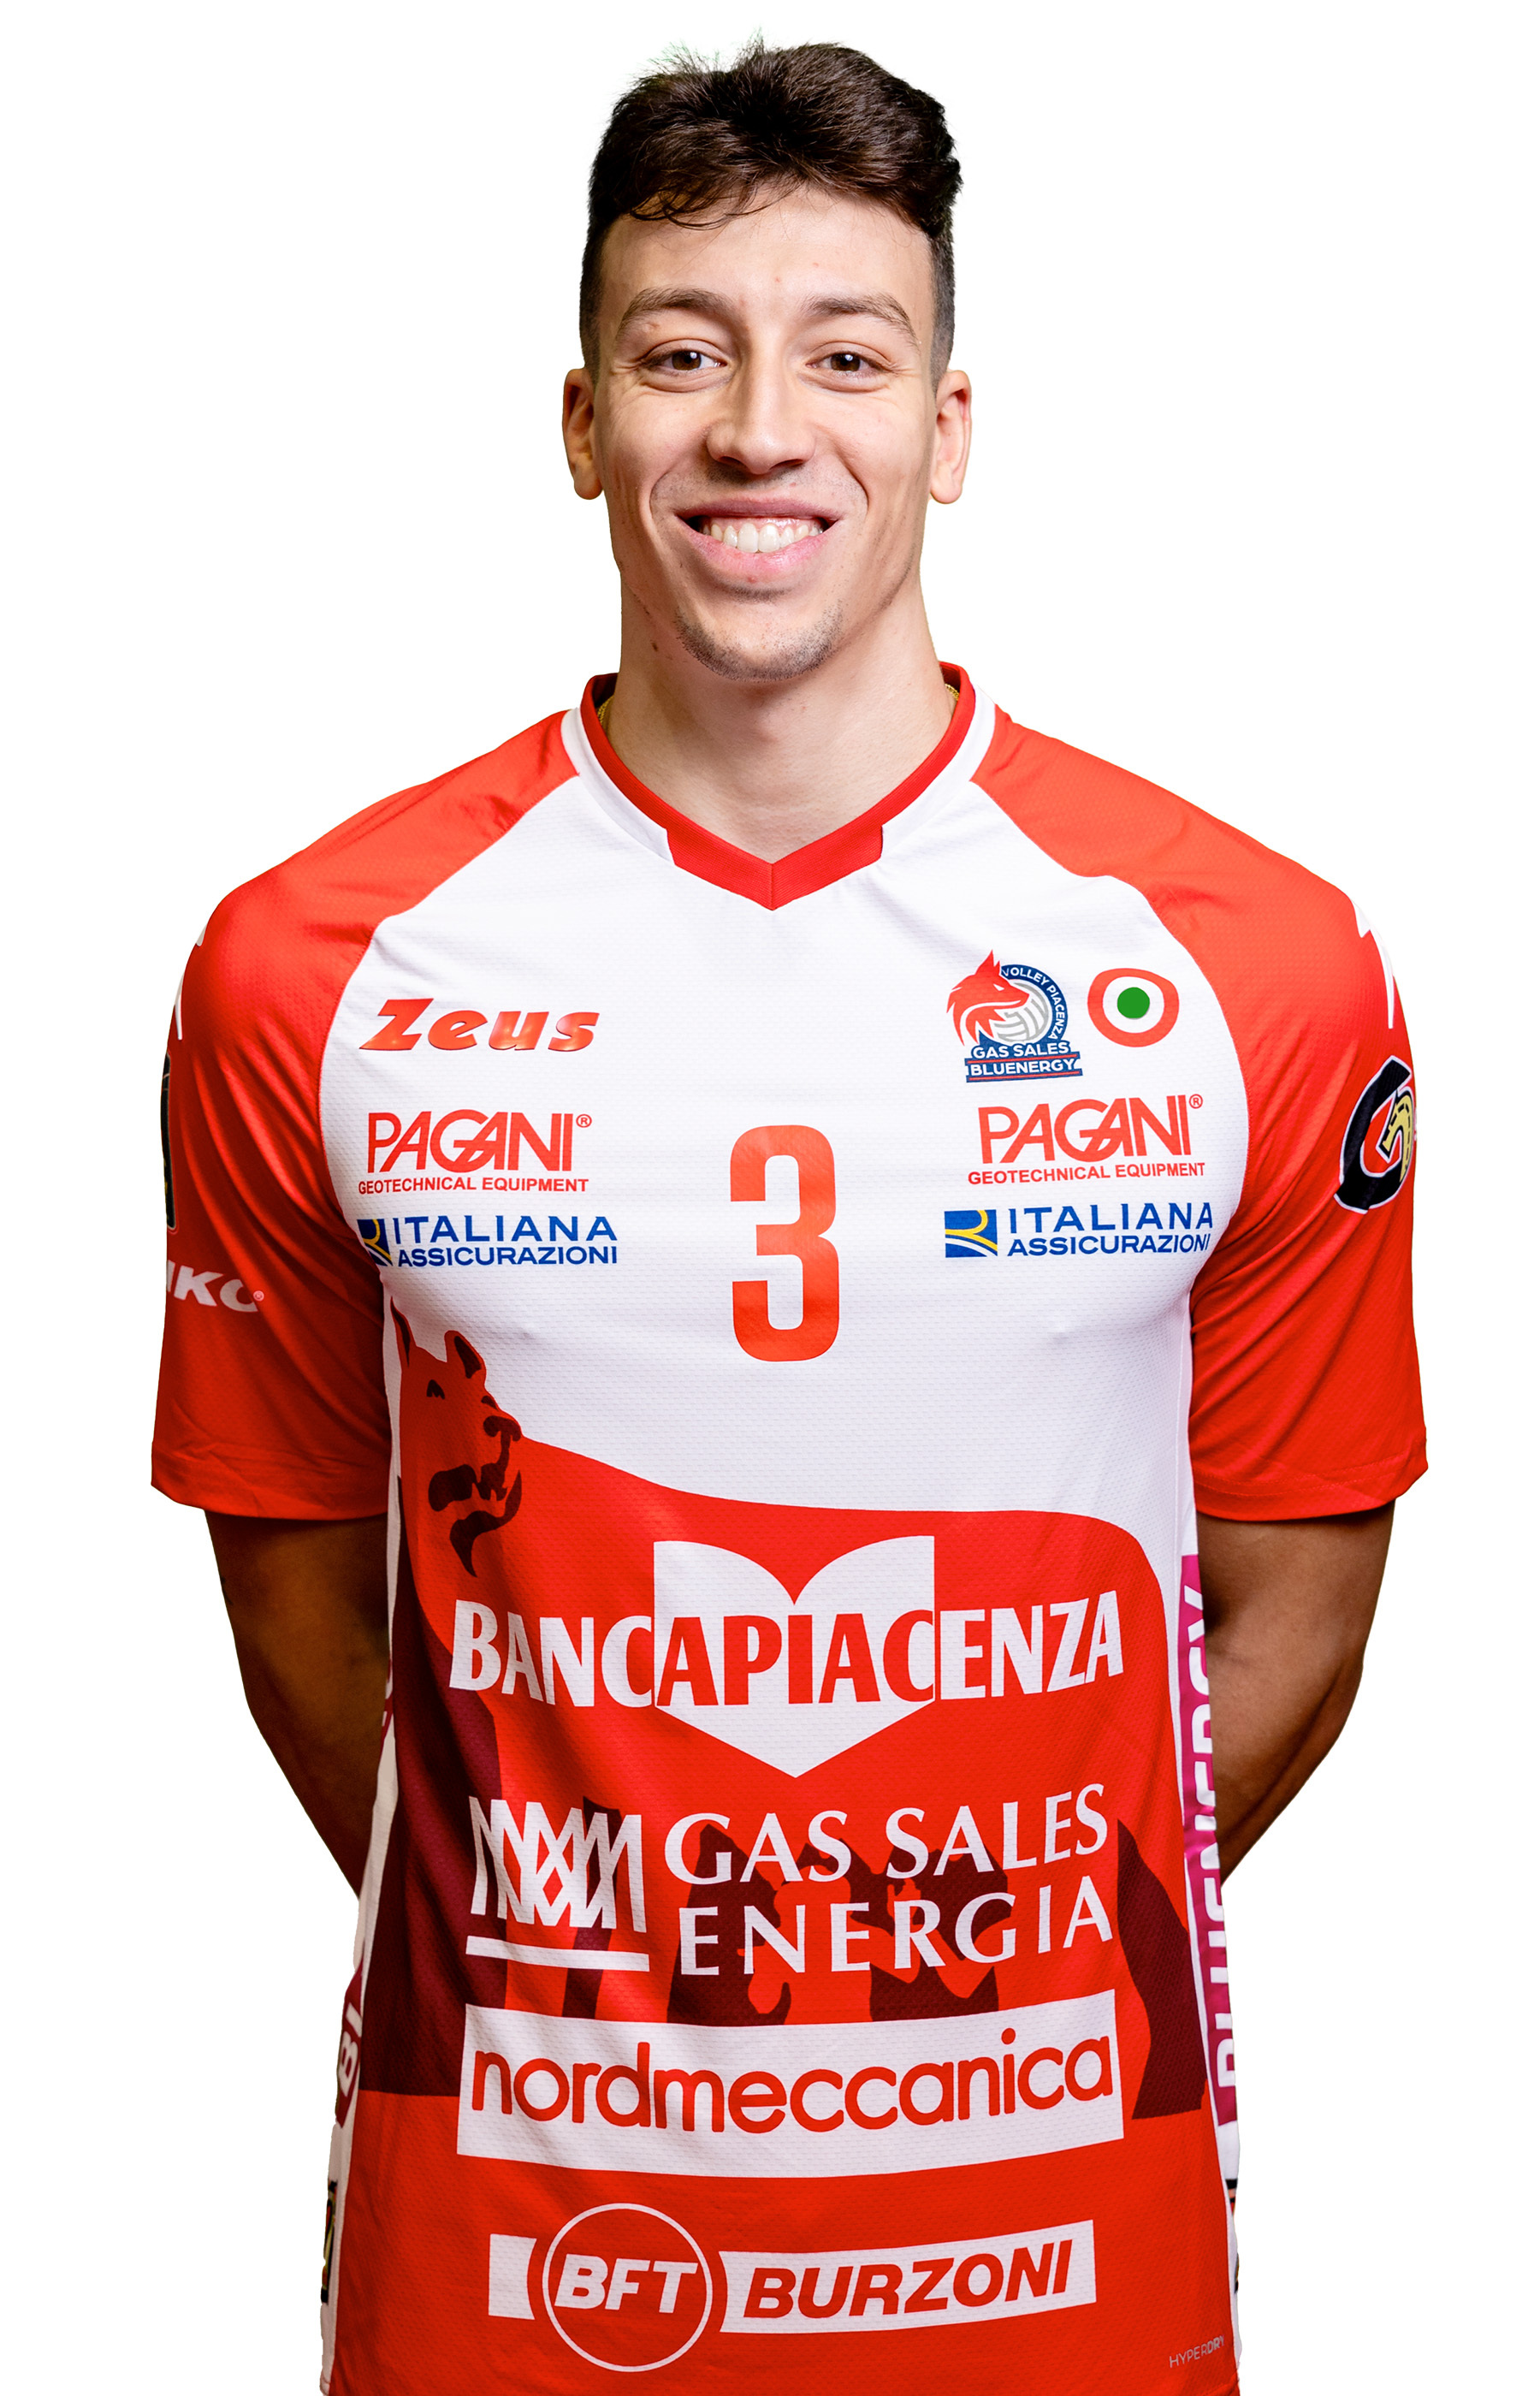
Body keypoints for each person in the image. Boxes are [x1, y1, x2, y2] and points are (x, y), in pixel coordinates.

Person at [152, 39, 1424, 2396]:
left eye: (847, 355)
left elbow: (1299, 1605)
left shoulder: (1254, 965)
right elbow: (306, 1609)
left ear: (948, 426)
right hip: (515, 2231)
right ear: (581, 423)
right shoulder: (309, 968)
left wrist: (932, 1965)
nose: (761, 430)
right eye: (681, 354)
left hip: (1052, 2218)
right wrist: (623, 1973)